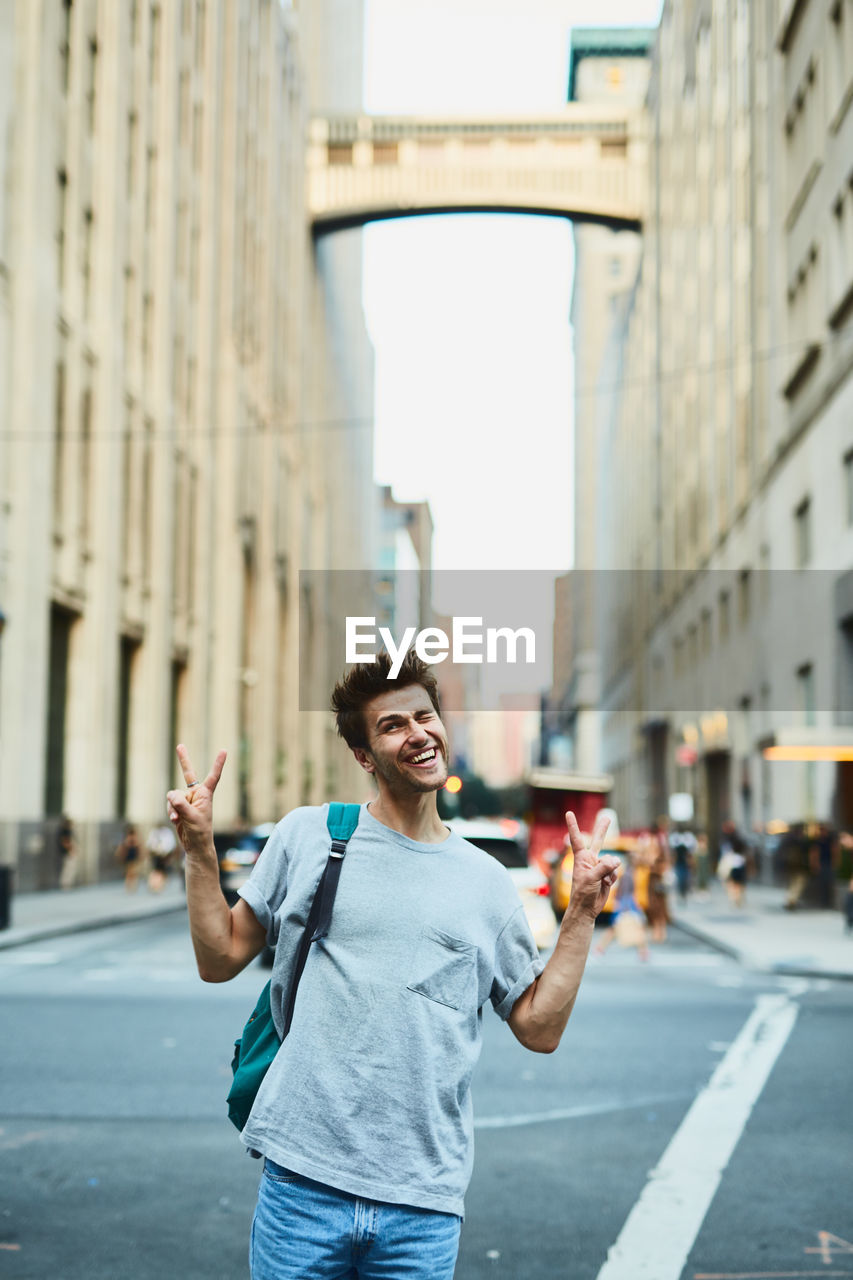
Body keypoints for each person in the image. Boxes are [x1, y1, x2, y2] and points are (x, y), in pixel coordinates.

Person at [166, 650, 619, 1280]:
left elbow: (538, 1028)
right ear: (363, 755)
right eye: (392, 725)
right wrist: (198, 851)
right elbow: (219, 959)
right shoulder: (309, 837)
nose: (418, 734)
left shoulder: (486, 883)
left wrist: (583, 912)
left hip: (422, 1204)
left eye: (424, 716)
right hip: (302, 1184)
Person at [146, 821, 176, 892]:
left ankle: (159, 885)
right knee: (156, 870)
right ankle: (155, 885)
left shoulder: (167, 832)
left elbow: (171, 844)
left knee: (162, 871)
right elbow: (150, 845)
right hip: (156, 855)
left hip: (164, 855)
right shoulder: (154, 833)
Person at [115, 823, 142, 892]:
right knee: (130, 871)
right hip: (129, 855)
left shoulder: (132, 838)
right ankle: (129, 884)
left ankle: (132, 884)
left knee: (132, 871)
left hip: (132, 855)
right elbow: (124, 846)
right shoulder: (128, 838)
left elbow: (137, 846)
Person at [58, 815, 78, 890]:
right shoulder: (65, 831)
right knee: (67, 869)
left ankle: (68, 884)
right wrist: (70, 850)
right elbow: (65, 842)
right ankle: (65, 884)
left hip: (68, 852)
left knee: (69, 869)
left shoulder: (67, 831)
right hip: (67, 853)